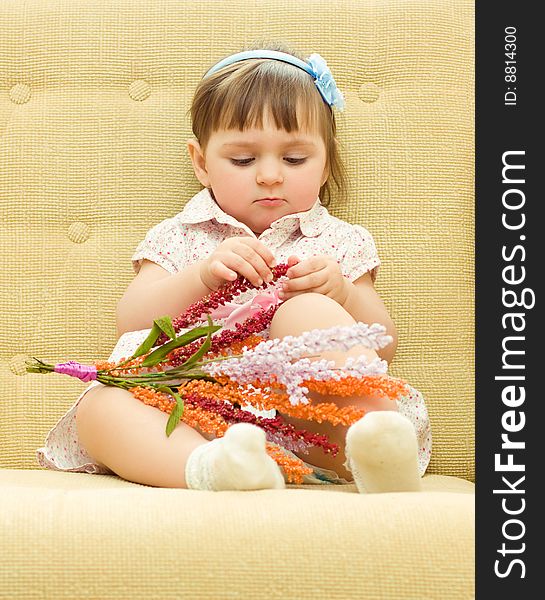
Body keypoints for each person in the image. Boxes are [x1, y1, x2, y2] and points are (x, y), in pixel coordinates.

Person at [36, 42, 431, 492]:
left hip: (315, 429)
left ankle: (375, 447)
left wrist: (342, 293)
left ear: (325, 164)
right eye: (243, 160)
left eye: (295, 159)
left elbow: (384, 342)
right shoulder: (182, 235)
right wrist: (201, 276)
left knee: (308, 313)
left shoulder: (339, 241)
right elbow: (132, 320)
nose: (269, 175)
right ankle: (215, 470)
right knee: (100, 407)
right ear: (201, 163)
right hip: (189, 420)